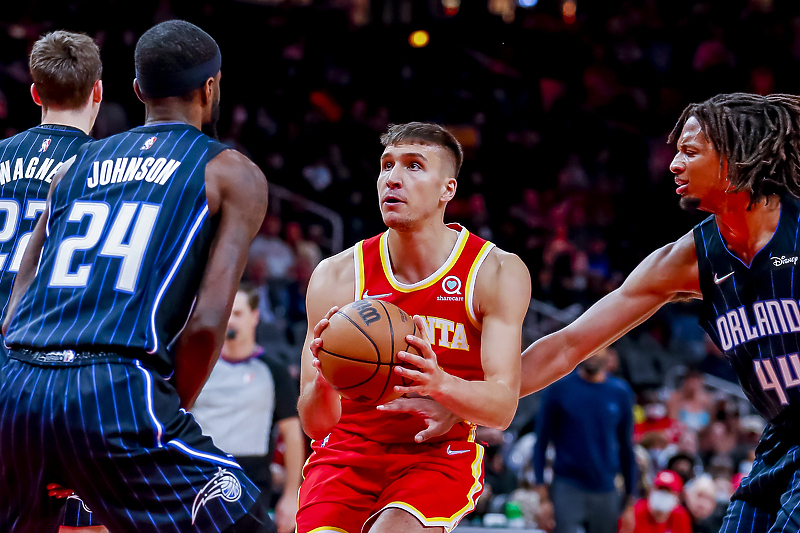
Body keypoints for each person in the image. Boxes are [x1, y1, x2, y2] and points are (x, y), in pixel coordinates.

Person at [385, 93, 800, 533]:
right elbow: (569, 345)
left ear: (735, 159)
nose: (674, 164)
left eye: (689, 152)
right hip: (782, 437)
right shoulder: (688, 260)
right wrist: (464, 400)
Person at [0, 20, 274, 533]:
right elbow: (208, 322)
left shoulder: (74, 168)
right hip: (114, 389)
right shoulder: (231, 172)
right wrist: (162, 420)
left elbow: (19, 294)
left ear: (137, 90)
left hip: (17, 386)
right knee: (245, 522)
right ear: (210, 88)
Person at [297, 122, 531, 532]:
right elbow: (315, 425)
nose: (393, 178)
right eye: (387, 165)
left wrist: (440, 383)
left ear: (448, 190)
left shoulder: (494, 271)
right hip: (347, 452)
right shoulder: (335, 276)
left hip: (434, 454)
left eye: (414, 166)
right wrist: (323, 381)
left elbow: (502, 406)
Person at [192, 282, 304, 533]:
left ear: (254, 317)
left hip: (252, 479)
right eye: (227, 313)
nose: (230, 320)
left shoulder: (273, 369)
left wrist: (290, 496)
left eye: (238, 313)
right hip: (201, 475)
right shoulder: (200, 365)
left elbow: (292, 434)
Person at [532, 348, 635, 533]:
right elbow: (540, 443)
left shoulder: (620, 392)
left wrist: (629, 501)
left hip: (606, 487)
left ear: (610, 353)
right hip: (568, 486)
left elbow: (627, 447)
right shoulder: (559, 389)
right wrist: (543, 495)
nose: (593, 353)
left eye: (599, 347)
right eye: (589, 347)